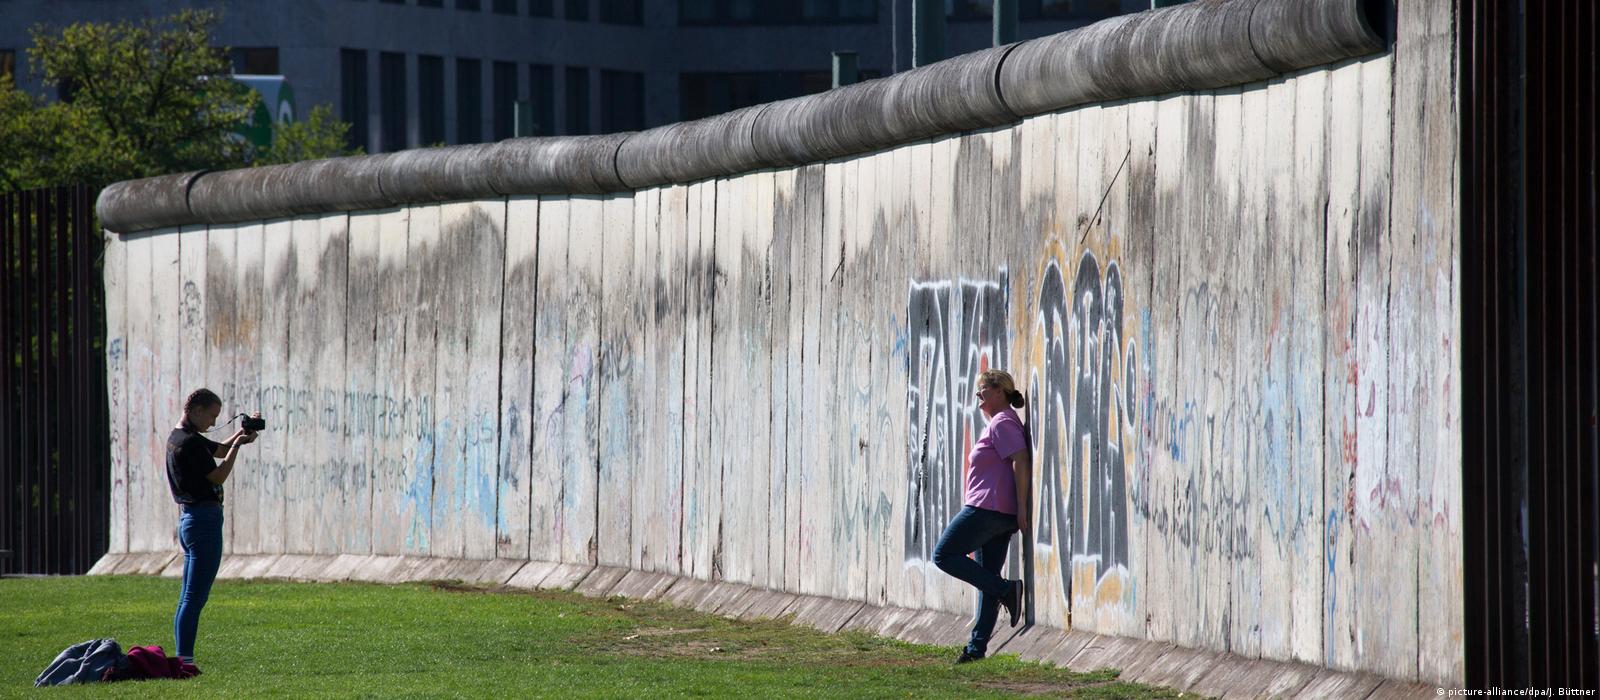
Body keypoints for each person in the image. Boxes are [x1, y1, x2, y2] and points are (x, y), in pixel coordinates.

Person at [932, 369, 1032, 664]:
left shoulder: (1002, 422)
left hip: (987, 509)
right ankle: (976, 650)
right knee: (987, 580)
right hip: (997, 513)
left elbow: (1021, 461)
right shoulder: (1001, 422)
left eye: (983, 391)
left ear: (999, 392)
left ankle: (1007, 590)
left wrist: (1022, 508)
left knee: (944, 555)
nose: (978, 396)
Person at [166, 388, 259, 667]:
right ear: (195, 411)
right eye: (211, 416)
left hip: (190, 520)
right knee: (195, 597)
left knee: (188, 597)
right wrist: (237, 448)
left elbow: (217, 448)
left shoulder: (180, 436)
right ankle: (186, 661)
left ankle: (184, 658)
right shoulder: (191, 444)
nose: (213, 423)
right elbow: (218, 474)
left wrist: (240, 438)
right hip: (203, 522)